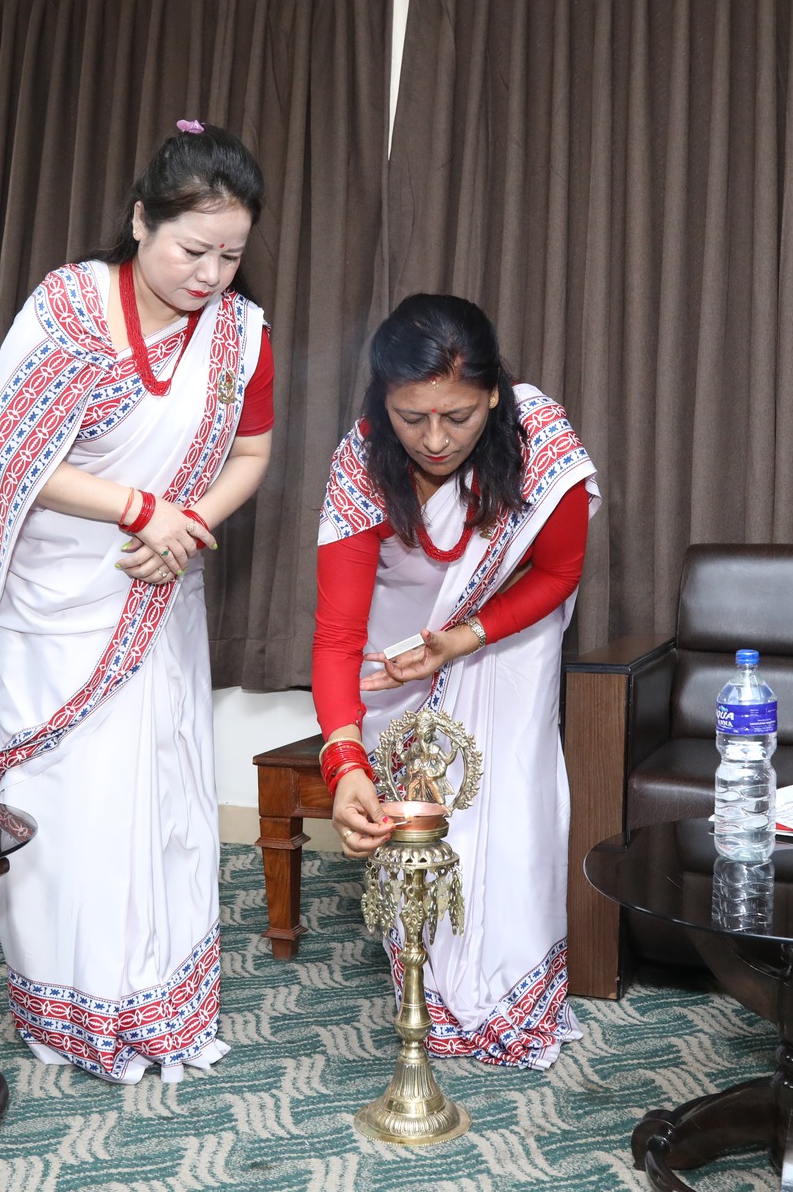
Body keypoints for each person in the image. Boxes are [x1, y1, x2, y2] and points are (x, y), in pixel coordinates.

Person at [0, 121, 274, 1083]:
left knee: (158, 789)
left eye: (231, 255)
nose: (211, 276)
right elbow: (16, 455)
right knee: (71, 800)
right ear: (141, 219)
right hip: (64, 585)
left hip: (161, 578)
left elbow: (252, 455)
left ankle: (156, 996)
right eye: (194, 250)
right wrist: (144, 508)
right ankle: (67, 1002)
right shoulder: (67, 309)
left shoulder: (239, 334)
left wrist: (186, 525)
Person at [312, 293, 599, 1069]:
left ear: (494, 395)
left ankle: (508, 990)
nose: (435, 439)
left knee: (506, 817)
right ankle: (433, 990)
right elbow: (337, 635)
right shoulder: (360, 462)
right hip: (397, 658)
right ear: (383, 402)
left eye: (458, 416)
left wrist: (466, 637)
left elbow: (559, 570)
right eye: (412, 417)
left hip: (505, 645)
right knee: (419, 826)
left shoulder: (541, 442)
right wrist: (344, 761)